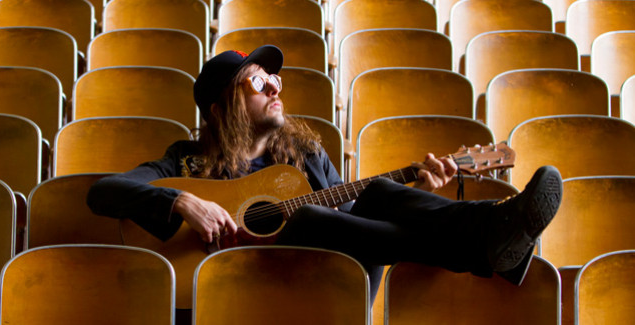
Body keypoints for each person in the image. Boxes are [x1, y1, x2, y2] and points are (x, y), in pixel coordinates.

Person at [87, 45, 562, 322]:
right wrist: (183, 201)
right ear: (220, 107)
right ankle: (484, 242)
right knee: (313, 213)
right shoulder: (185, 161)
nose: (275, 86)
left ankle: (482, 231)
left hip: (322, 290)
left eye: (275, 77)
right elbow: (103, 191)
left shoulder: (305, 155)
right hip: (225, 300)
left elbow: (354, 230)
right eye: (257, 82)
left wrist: (423, 192)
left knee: (372, 194)